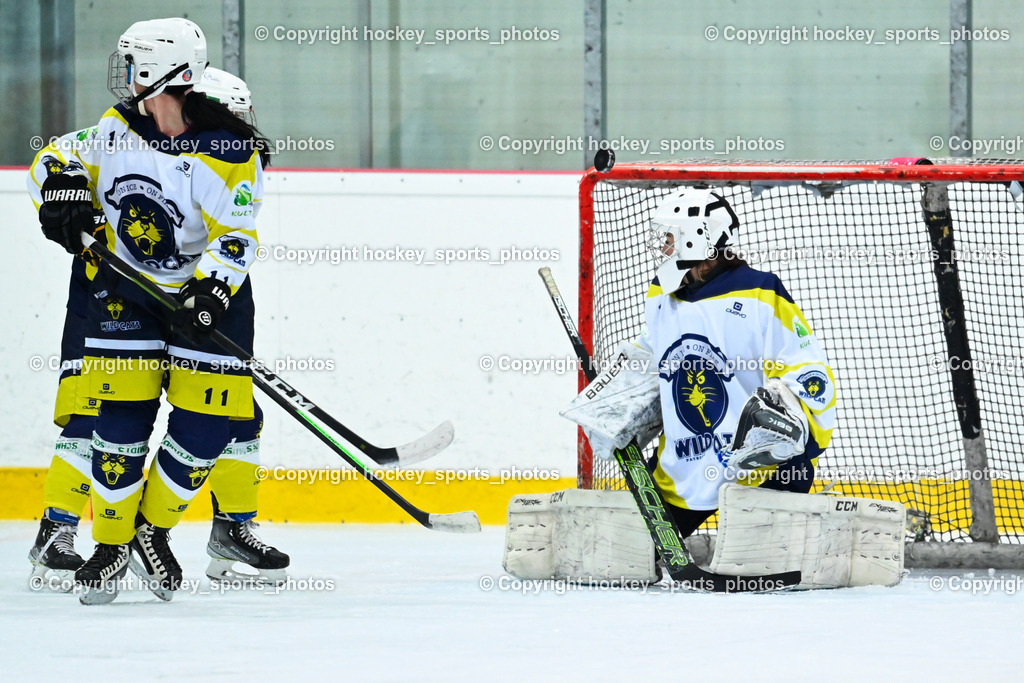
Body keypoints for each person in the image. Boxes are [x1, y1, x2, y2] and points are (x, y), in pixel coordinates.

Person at [28, 17, 271, 603]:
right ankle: (108, 548)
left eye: (133, 59)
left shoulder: (229, 151)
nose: (122, 70)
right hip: (125, 293)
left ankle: (148, 531)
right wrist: (58, 188)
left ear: (170, 72)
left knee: (210, 425)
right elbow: (56, 157)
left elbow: (236, 236)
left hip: (196, 298)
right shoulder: (117, 128)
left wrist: (211, 290)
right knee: (116, 418)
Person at [565, 188, 836, 539]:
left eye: (670, 238)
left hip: (759, 466)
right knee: (625, 549)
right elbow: (658, 352)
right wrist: (618, 396)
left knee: (754, 564)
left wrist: (786, 423)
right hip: (685, 463)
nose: (663, 247)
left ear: (698, 240)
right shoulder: (661, 295)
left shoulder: (760, 292)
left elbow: (805, 367)